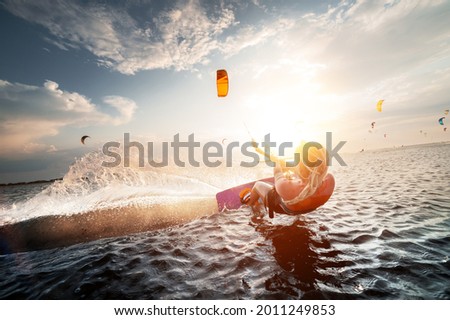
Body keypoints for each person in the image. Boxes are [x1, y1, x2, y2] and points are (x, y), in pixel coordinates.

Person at [241, 143, 328, 218]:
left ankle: (249, 206)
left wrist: (276, 161)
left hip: (280, 208)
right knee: (289, 170)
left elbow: (278, 168)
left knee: (257, 185)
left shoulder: (284, 186)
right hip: (305, 208)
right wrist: (260, 151)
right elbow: (290, 165)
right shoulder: (330, 181)